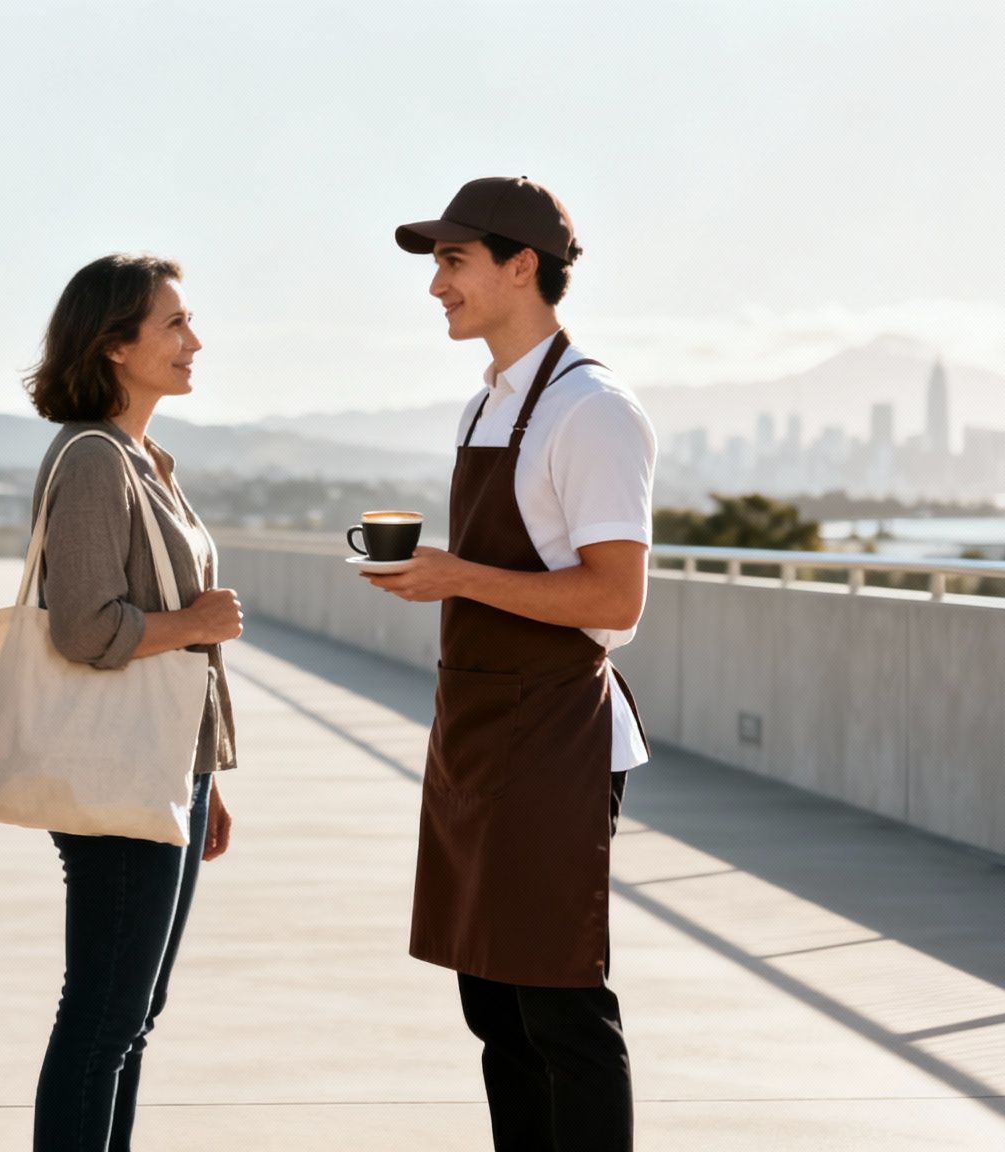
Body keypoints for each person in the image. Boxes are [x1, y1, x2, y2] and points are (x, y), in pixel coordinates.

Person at [364, 177, 657, 1151]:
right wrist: (439, 578)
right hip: (477, 734)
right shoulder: (482, 405)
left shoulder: (592, 411)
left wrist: (457, 574)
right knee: (491, 1008)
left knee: (557, 1007)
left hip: (553, 737)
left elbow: (614, 600)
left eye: (452, 261)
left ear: (519, 264)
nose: (435, 285)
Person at [22, 253, 244, 1152]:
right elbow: (83, 626)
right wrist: (194, 620)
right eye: (175, 325)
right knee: (104, 1016)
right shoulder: (93, 460)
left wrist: (208, 775)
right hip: (117, 774)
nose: (195, 341)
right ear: (116, 345)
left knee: (132, 1014)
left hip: (166, 771)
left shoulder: (148, 459)